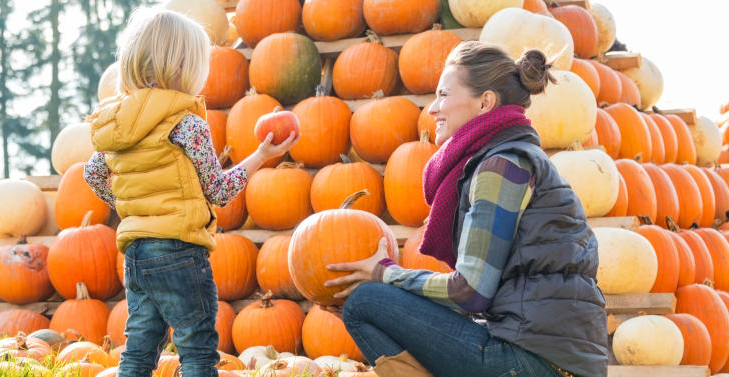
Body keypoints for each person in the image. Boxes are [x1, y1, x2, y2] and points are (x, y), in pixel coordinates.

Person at [324, 41, 608, 377]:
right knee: (375, 304)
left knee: (364, 302)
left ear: (486, 102)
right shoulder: (513, 156)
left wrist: (385, 273)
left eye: (444, 94)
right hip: (548, 358)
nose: (433, 108)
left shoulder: (502, 167)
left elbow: (470, 291)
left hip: (535, 363)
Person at [82, 7, 298, 377]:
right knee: (196, 350)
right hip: (179, 251)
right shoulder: (188, 124)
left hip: (136, 253)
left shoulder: (117, 123)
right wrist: (261, 155)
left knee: (138, 350)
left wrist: (132, 205)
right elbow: (218, 189)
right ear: (184, 68)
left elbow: (94, 173)